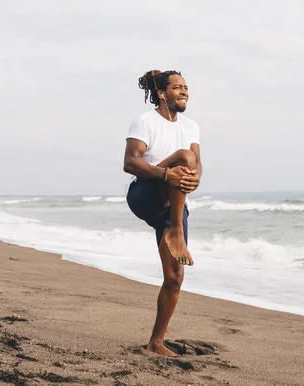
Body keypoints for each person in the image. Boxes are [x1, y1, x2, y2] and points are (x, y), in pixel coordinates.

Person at [123, 70, 202, 356]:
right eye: (177, 87)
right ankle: (176, 231)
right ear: (161, 93)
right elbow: (130, 162)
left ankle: (156, 342)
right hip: (145, 194)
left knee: (174, 277)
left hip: (173, 203)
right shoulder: (145, 122)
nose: (184, 92)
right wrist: (165, 174)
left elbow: (197, 164)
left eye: (186, 88)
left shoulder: (191, 126)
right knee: (182, 157)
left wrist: (195, 179)